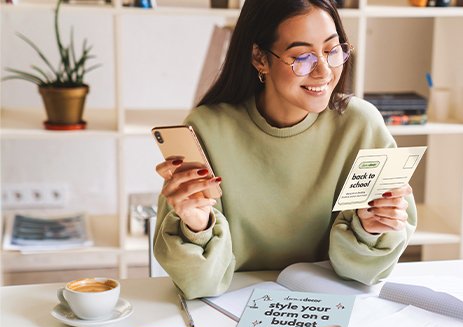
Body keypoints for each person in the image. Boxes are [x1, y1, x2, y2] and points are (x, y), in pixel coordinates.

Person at [154, 0, 417, 299]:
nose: (324, 72)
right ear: (259, 58)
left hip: (329, 303)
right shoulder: (207, 129)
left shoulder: (361, 125)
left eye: (332, 50)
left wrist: (370, 229)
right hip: (230, 306)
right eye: (302, 57)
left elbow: (363, 275)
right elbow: (200, 284)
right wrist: (197, 225)